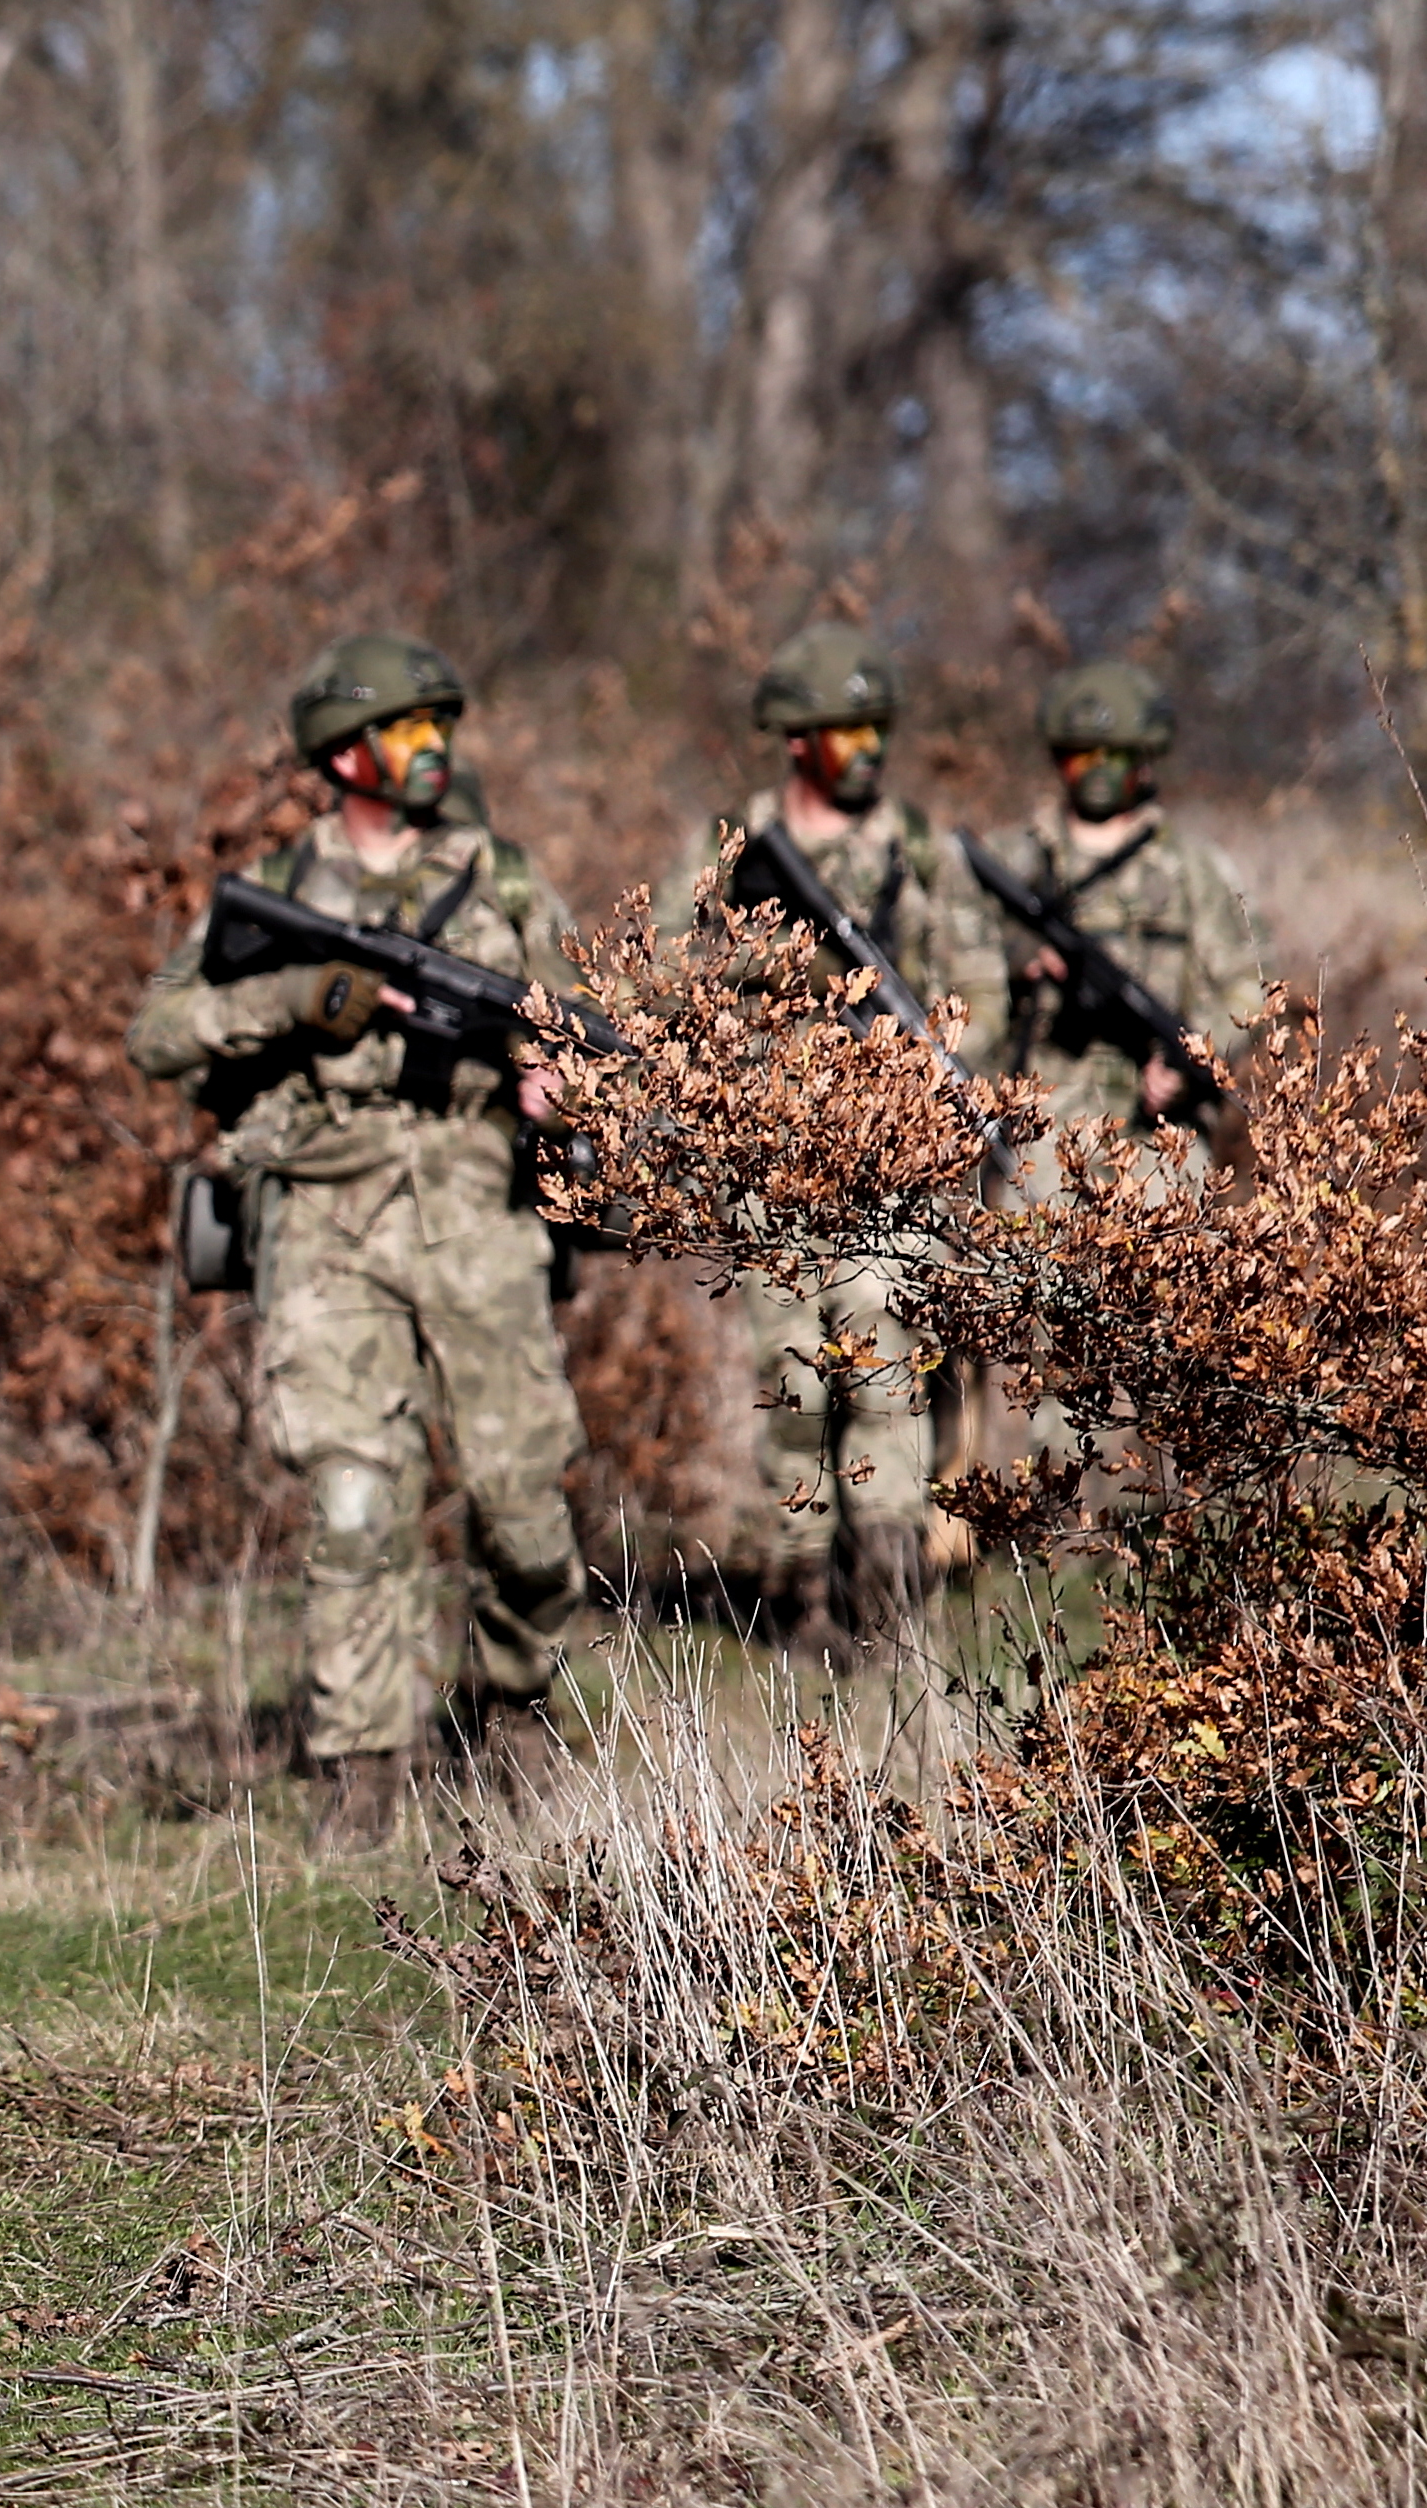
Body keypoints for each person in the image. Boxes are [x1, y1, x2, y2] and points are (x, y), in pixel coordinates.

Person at [128, 632, 594, 1854]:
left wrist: (560, 1085)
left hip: (479, 1209)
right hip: (326, 1215)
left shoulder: (501, 880)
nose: (431, 749)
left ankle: (515, 1706)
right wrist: (297, 1000)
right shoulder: (282, 884)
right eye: (407, 729)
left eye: (442, 726)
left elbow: (576, 1029)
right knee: (351, 1502)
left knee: (522, 1499)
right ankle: (361, 1771)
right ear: (344, 753)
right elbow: (160, 1031)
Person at [688, 623, 1008, 1653]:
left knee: (883, 1367)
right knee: (790, 1383)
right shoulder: (733, 851)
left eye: (875, 727)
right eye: (843, 730)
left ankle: (886, 1598)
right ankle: (799, 1598)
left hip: (893, 1155)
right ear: (795, 739)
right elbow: (662, 982)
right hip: (771, 1151)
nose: (864, 748)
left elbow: (981, 994)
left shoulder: (917, 849)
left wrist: (924, 1055)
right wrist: (769, 979)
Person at [990, 659, 1271, 1472]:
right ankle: (1057, 1535)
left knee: (1157, 1331)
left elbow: (1246, 993)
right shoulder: (1019, 861)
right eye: (1082, 756)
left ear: (1148, 758)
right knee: (1052, 1327)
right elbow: (946, 968)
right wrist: (1018, 960)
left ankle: (1150, 1533)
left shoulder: (1194, 870)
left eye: (1116, 757)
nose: (1099, 773)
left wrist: (1190, 1060)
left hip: (1160, 1137)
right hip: (1045, 1120)